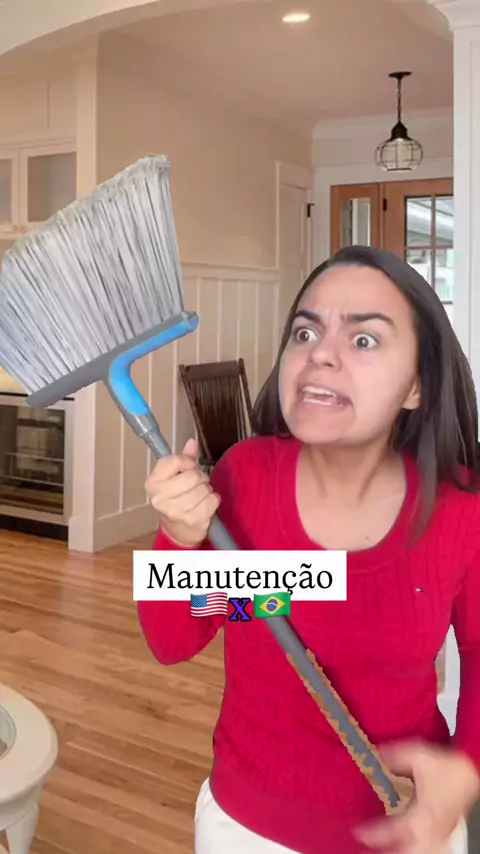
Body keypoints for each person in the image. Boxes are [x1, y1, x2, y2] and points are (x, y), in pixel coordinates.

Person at [137, 245, 480, 854]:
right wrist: (179, 540)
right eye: (305, 332)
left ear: (417, 386)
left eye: (364, 339)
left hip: (410, 826)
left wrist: (467, 765)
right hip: (245, 827)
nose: (320, 353)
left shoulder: (459, 510)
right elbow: (176, 640)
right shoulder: (245, 478)